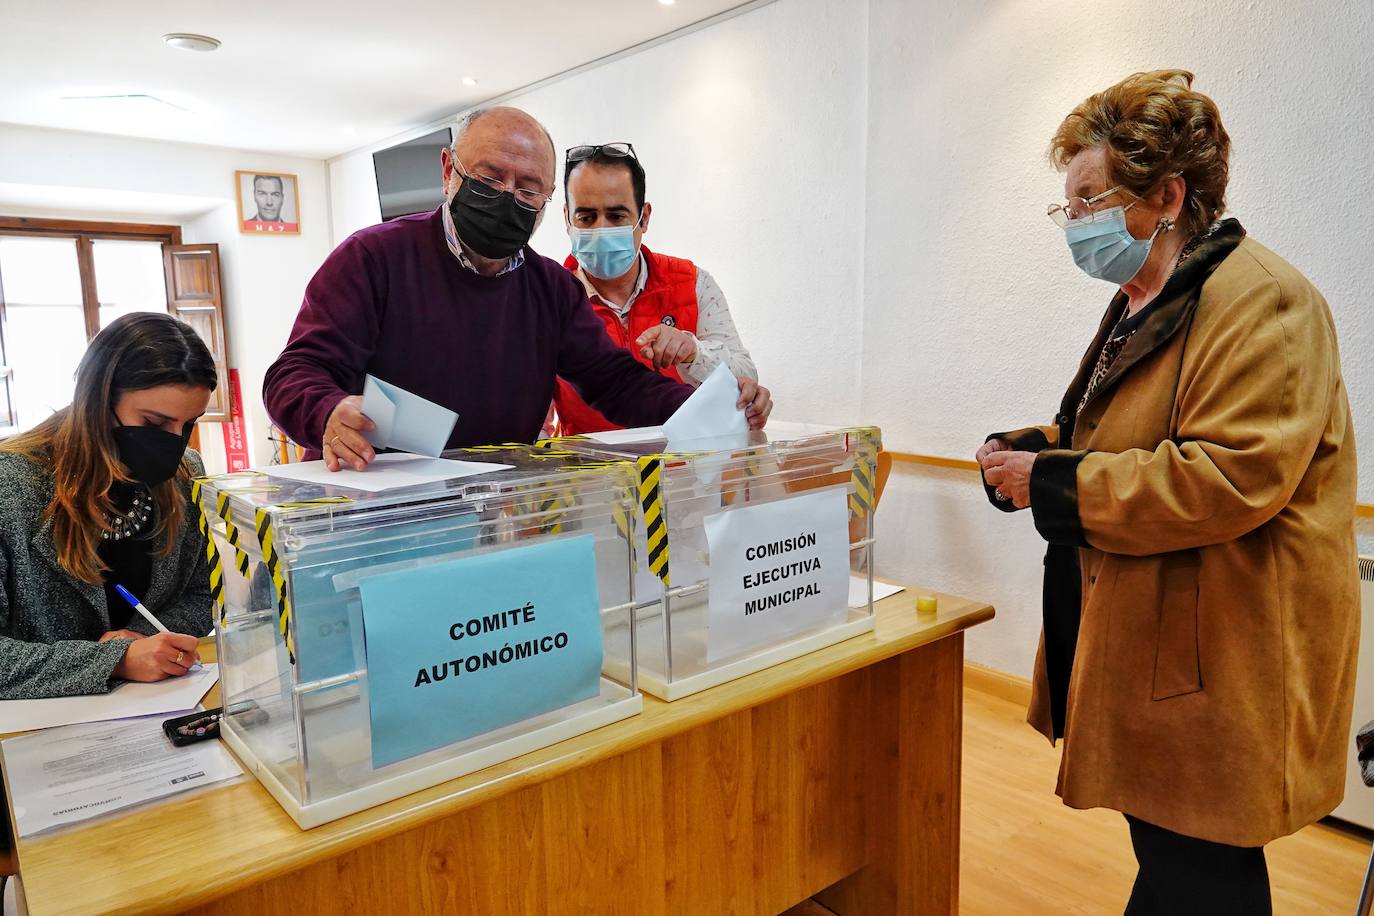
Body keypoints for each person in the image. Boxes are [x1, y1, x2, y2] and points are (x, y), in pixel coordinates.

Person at [976, 70, 1358, 915]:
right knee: (1180, 857)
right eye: (1066, 208)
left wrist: (1050, 483)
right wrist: (1032, 453)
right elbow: (1120, 435)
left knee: (1202, 863)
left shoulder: (1264, 300)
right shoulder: (1148, 298)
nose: (1075, 225)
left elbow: (1226, 476)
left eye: (1088, 201)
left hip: (1224, 642)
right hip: (1163, 633)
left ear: (1169, 194)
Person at [263, 107, 772, 470]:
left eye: (528, 187)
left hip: (493, 511)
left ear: (547, 200)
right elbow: (294, 373)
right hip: (373, 507)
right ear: (448, 171)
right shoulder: (372, 258)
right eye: (489, 177)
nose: (508, 196)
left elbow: (617, 384)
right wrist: (327, 411)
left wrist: (722, 408)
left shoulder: (552, 289)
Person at [0, 312, 215, 700]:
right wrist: (113, 660)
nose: (175, 444)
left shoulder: (186, 476)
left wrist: (145, 644)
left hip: (155, 708)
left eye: (189, 425)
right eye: (153, 423)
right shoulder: (11, 488)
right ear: (97, 400)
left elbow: (202, 594)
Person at [553, 142, 757, 436]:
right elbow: (534, 418)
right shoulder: (552, 298)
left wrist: (693, 352)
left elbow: (745, 379)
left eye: (616, 216)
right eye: (586, 217)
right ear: (567, 219)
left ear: (644, 217)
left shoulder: (693, 283)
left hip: (686, 471)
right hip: (588, 475)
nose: (601, 229)